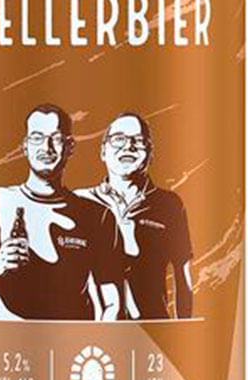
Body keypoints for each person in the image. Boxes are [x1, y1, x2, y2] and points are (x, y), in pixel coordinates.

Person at [0, 103, 121, 320]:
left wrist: (97, 335)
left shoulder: (96, 215)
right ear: (25, 146)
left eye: (55, 138)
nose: (46, 148)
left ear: (70, 147)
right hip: (11, 337)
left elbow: (112, 300)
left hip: (72, 337)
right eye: (37, 138)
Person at [77, 113, 194, 319]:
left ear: (150, 153)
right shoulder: (81, 202)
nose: (128, 146)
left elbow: (182, 274)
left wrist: (184, 326)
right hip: (94, 331)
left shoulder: (169, 205)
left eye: (138, 141)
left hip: (152, 328)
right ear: (103, 151)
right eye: (118, 139)